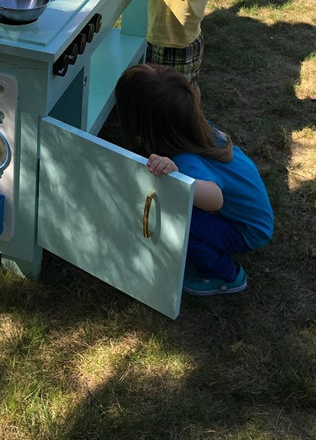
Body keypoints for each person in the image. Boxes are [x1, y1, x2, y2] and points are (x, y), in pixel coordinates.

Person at [114, 63, 274, 295]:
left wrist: (175, 175)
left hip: (248, 231)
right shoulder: (195, 130)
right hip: (253, 219)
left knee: (176, 222)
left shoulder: (186, 161)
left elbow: (215, 199)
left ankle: (225, 274)